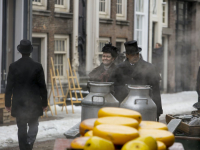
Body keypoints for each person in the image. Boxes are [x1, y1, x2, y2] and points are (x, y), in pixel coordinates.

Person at [5, 39, 47, 150]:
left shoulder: (13, 66)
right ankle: (29, 144)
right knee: (34, 125)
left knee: (21, 127)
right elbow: (42, 86)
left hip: (19, 102)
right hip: (34, 102)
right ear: (30, 51)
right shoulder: (37, 66)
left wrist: (7, 103)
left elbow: (9, 86)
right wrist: (44, 102)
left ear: (20, 51)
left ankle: (24, 148)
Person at [115, 40, 163, 121]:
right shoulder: (119, 69)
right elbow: (114, 87)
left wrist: (158, 110)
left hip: (145, 106)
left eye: (137, 54)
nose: (135, 56)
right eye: (132, 54)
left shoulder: (150, 68)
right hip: (125, 108)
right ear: (127, 55)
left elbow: (155, 90)